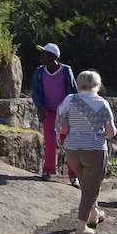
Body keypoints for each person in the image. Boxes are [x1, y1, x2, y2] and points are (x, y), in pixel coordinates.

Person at [56, 70, 117, 234]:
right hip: (94, 149)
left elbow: (63, 129)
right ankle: (81, 227)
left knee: (85, 183)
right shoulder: (102, 103)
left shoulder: (69, 100)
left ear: (79, 83)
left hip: (72, 149)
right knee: (91, 188)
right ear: (97, 84)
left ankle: (94, 213)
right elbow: (111, 132)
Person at [31, 42, 78, 184]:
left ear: (52, 56)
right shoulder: (39, 72)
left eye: (45, 53)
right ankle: (48, 170)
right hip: (49, 111)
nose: (42, 56)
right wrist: (40, 105)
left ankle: (73, 175)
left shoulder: (65, 71)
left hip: (65, 113)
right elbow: (36, 92)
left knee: (68, 141)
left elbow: (73, 90)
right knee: (50, 139)